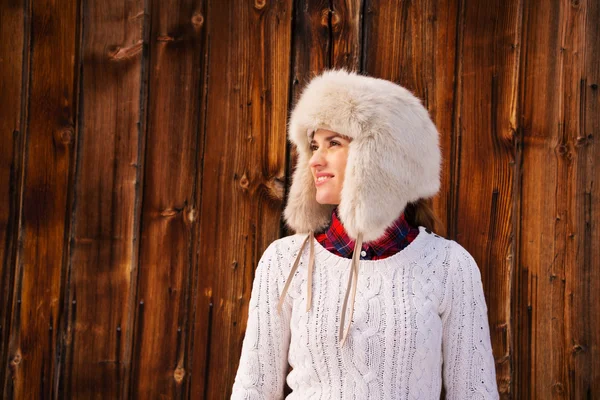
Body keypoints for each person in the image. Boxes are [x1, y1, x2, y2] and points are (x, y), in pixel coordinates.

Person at [231, 69, 499, 399]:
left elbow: (475, 392)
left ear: (382, 155)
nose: (315, 160)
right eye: (313, 145)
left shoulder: (448, 265)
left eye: (334, 143)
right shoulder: (285, 261)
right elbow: (252, 389)